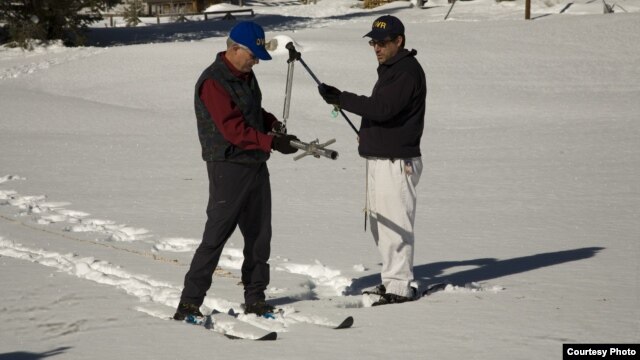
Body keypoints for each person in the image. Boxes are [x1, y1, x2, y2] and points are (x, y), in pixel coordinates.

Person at [174, 21, 299, 321]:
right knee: (216, 235)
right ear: (233, 49)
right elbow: (232, 129)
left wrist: (271, 125)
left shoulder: (245, 75)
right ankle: (189, 303)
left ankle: (255, 298)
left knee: (259, 236)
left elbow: (252, 113)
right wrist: (270, 141)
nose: (256, 60)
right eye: (253, 54)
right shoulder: (213, 82)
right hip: (227, 166)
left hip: (255, 164)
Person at [318, 15, 427, 306]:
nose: (376, 48)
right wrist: (368, 136)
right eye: (373, 43)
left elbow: (383, 109)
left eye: (382, 42)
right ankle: (391, 281)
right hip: (380, 158)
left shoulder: (406, 72)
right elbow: (385, 115)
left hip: (397, 162)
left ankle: (400, 287)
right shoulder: (391, 70)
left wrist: (342, 98)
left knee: (395, 225)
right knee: (381, 224)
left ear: (399, 41)